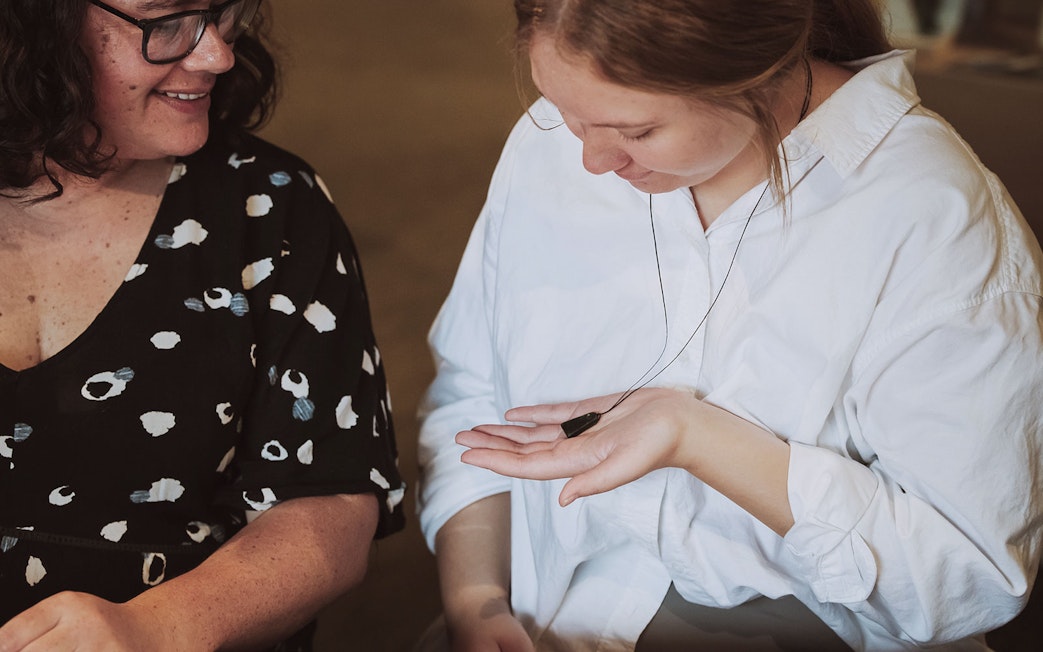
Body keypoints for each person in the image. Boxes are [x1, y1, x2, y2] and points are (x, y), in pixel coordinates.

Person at [416, 0, 1043, 650]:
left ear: (755, 76)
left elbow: (962, 578)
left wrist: (699, 437)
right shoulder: (549, 142)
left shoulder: (935, 226)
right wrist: (475, 597)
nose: (590, 161)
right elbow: (474, 394)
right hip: (550, 603)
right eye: (567, 115)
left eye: (636, 132)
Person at [0, 1, 406, 649]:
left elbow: (328, 498)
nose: (216, 54)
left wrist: (157, 628)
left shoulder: (268, 203)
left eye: (221, 12)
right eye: (165, 23)